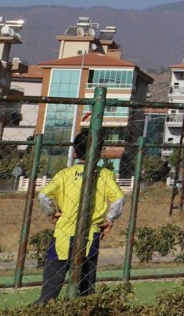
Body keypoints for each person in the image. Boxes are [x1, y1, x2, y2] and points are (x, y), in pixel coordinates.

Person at [34, 129, 125, 303]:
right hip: (89, 235)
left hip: (63, 234)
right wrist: (110, 220)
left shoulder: (65, 174)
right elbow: (119, 199)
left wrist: (52, 212)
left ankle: (42, 306)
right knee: (86, 290)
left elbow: (43, 195)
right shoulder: (104, 175)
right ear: (100, 152)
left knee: (50, 288)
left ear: (75, 152)